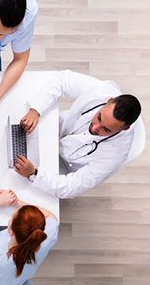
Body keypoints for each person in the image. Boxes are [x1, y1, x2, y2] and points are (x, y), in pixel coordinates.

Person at [14, 71, 141, 199]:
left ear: (125, 129)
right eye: (99, 117)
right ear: (108, 100)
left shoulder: (115, 155)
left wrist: (33, 174)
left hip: (63, 165)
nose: (95, 127)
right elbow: (62, 80)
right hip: (58, 129)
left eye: (106, 129)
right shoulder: (101, 91)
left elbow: (71, 187)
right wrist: (35, 110)